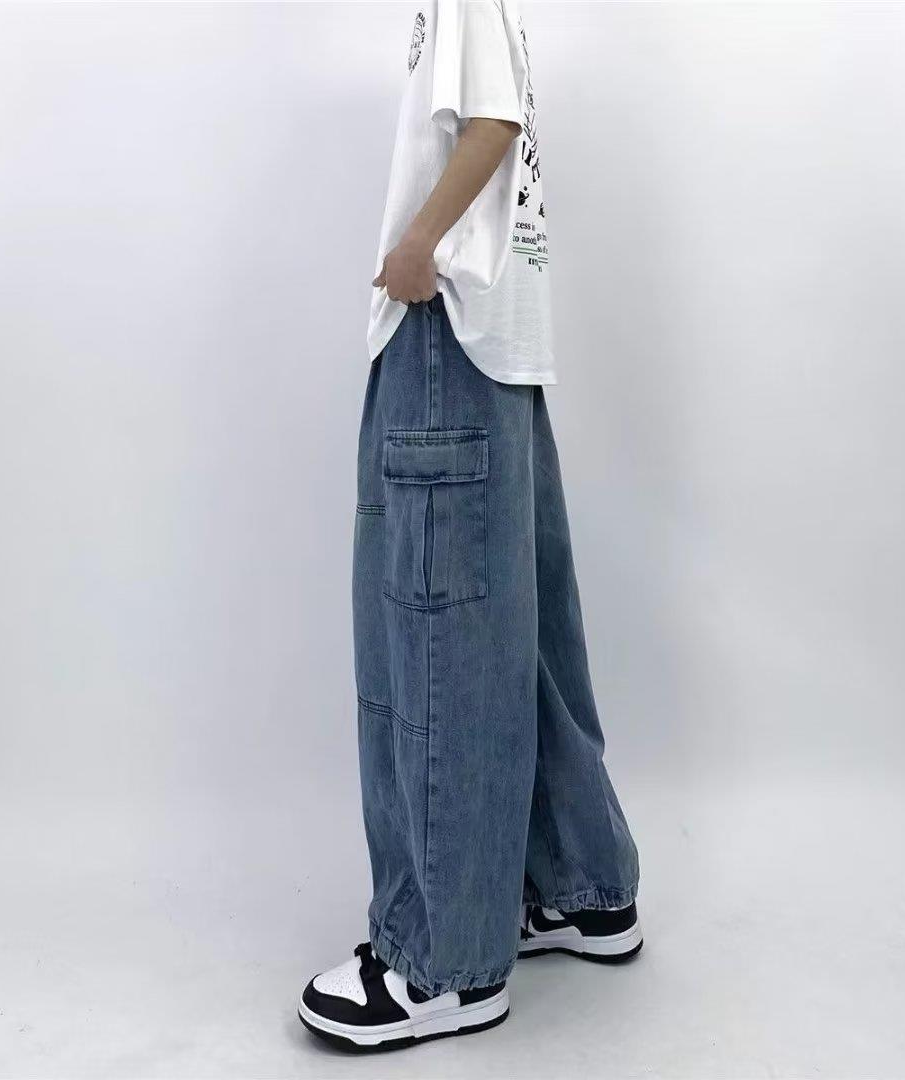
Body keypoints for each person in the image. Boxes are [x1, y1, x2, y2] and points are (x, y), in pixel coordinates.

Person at [297, 0, 640, 1051]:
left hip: (446, 332)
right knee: (522, 641)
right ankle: (582, 888)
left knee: (437, 646)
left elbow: (493, 123)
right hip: (500, 348)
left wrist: (417, 246)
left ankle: (444, 965)